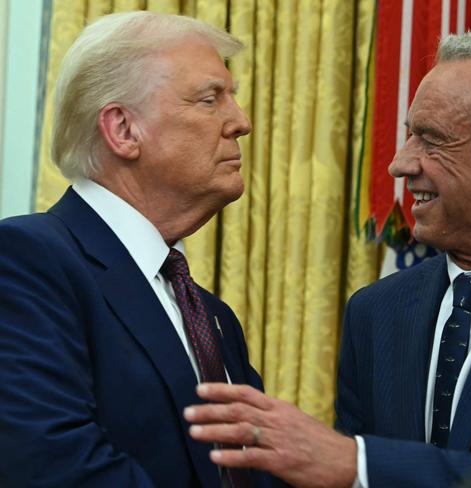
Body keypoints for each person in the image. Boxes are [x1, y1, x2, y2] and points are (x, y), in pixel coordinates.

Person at [182, 31, 471, 488]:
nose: (400, 164)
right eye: (409, 136)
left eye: (431, 140)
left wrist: (358, 463)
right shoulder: (378, 310)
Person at [0, 11, 277, 488]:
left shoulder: (214, 318)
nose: (241, 122)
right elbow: (52, 464)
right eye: (210, 99)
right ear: (124, 130)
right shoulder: (26, 261)